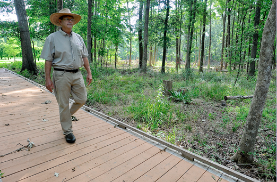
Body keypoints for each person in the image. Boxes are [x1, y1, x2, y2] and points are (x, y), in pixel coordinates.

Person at [40, 8, 92, 144]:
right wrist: (48, 79)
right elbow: (48, 60)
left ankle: (65, 117)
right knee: (63, 104)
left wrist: (89, 72)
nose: (70, 21)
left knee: (82, 99)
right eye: (67, 19)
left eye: (71, 19)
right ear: (60, 21)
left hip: (77, 73)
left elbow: (84, 56)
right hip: (61, 74)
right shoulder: (52, 38)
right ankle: (68, 131)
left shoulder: (78, 38)